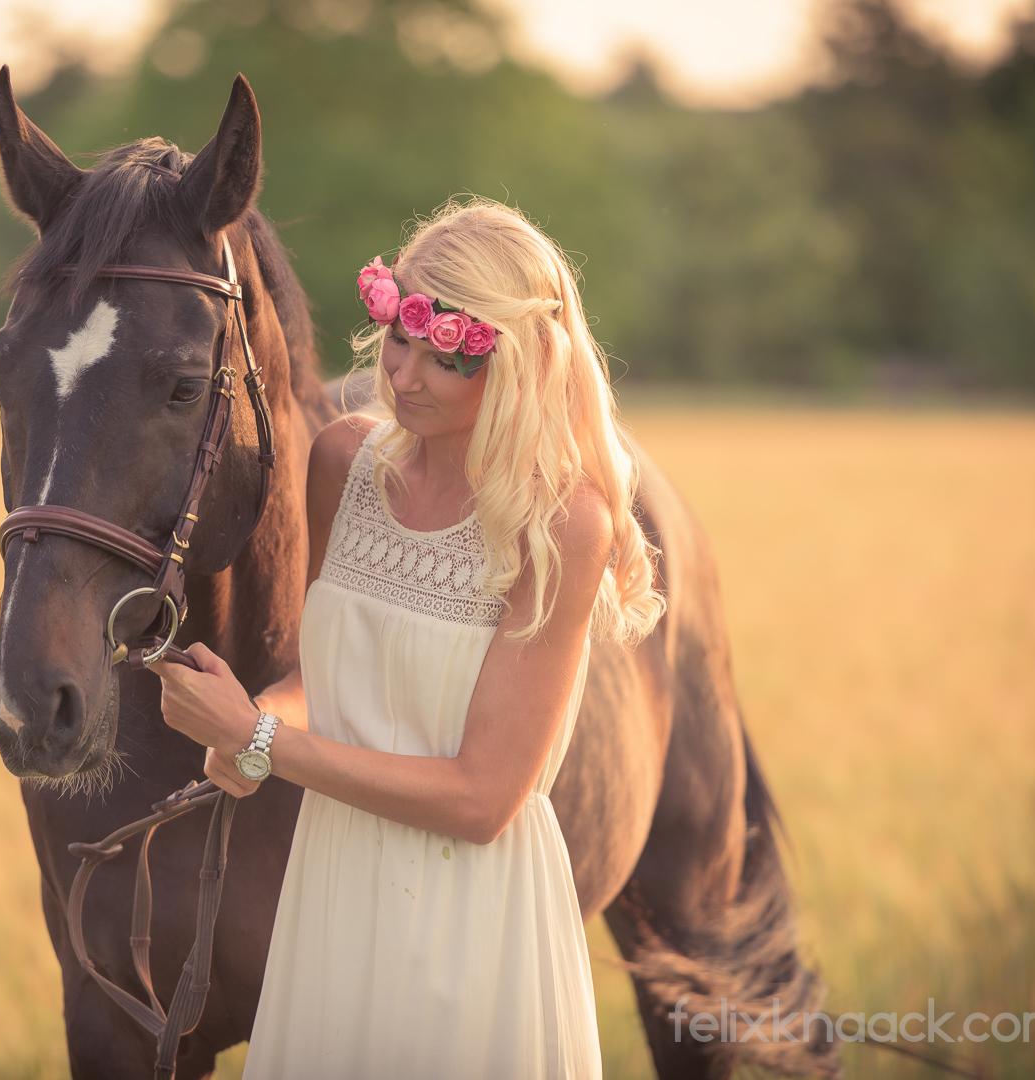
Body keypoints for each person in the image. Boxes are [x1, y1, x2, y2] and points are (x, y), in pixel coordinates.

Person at [152, 198, 666, 1078]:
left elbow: (481, 801)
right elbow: (330, 670)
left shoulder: (558, 525)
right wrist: (251, 719)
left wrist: (262, 742)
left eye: (450, 357)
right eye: (400, 340)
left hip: (471, 912)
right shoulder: (344, 463)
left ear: (520, 364)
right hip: (333, 882)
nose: (409, 377)